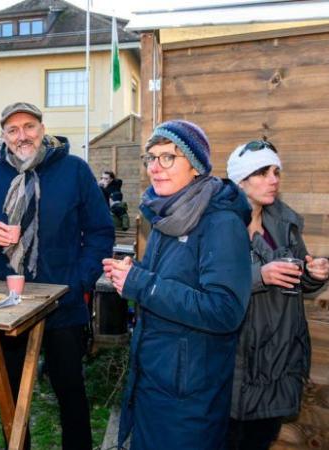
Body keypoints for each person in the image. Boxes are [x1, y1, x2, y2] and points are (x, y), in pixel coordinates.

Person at [0, 102, 114, 449]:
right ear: (4, 136)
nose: (22, 136)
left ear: (42, 130)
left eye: (29, 126)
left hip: (63, 301)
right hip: (6, 303)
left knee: (70, 391)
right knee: (10, 393)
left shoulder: (74, 170)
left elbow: (101, 231)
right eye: (13, 130)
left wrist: (81, 280)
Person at [102, 120, 253, 450]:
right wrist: (132, 273)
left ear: (196, 166)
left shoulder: (221, 222)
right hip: (154, 380)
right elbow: (172, 281)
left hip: (189, 398)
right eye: (151, 158)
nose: (155, 167)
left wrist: (142, 284)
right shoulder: (166, 214)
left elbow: (225, 310)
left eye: (168, 157)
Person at [226, 140, 329, 450]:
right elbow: (207, 284)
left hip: (281, 359)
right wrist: (260, 275)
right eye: (262, 172)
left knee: (261, 439)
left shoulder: (284, 223)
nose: (273, 179)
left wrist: (314, 274)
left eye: (276, 172)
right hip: (239, 362)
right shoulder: (220, 225)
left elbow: (298, 276)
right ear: (240, 179)